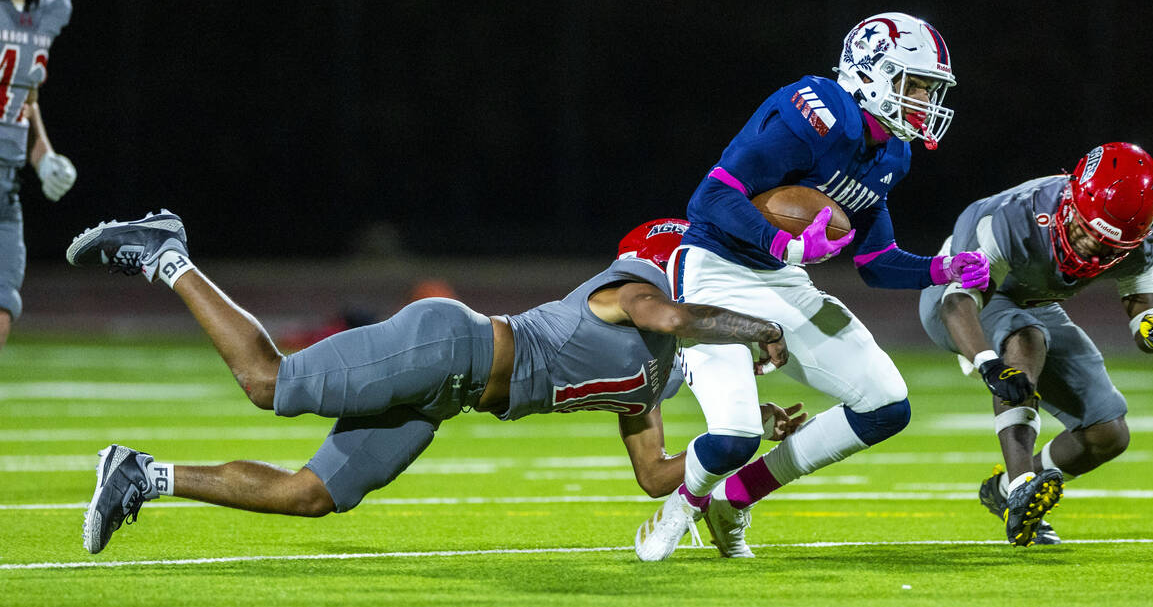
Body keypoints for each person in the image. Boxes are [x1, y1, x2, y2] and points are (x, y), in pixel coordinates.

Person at [68, 213, 807, 555]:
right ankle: (167, 253)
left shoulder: (649, 381)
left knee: (314, 494)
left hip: (444, 397)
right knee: (269, 383)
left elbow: (656, 477)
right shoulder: (638, 290)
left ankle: (144, 475)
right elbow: (677, 312)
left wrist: (744, 437)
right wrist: (758, 328)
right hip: (447, 344)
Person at [634, 12, 990, 561]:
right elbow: (710, 197)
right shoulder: (816, 112)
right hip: (714, 270)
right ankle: (684, 505)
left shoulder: (892, 153)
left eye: (928, 88)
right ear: (871, 72)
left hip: (780, 279)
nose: (923, 100)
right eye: (913, 84)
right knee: (735, 437)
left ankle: (735, 498)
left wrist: (941, 270)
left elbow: (876, 261)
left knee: (886, 405)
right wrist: (785, 246)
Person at [918, 142, 1153, 546]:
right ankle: (1023, 483)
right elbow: (957, 301)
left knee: (1106, 434)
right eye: (1087, 233)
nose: (1093, 250)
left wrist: (1149, 325)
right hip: (962, 295)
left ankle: (1005, 490)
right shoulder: (1012, 218)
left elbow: (1138, 286)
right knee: (1026, 338)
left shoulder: (1141, 233)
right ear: (1071, 200)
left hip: (1033, 302)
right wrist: (988, 362)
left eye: (1111, 248)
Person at [0, 0, 74, 351]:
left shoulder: (52, 4)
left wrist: (42, 153)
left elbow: (25, 95)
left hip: (5, 183)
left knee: (1, 306)